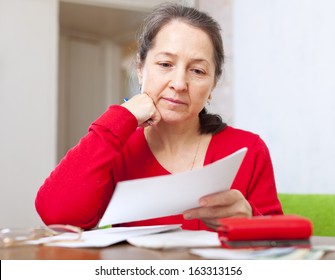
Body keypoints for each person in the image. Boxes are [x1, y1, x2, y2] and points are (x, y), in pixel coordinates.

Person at [35, 3, 283, 231]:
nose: (179, 83)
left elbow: (284, 244)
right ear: (140, 69)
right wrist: (121, 117)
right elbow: (57, 215)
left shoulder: (248, 149)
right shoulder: (116, 148)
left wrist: (250, 220)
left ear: (213, 84)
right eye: (165, 64)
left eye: (197, 71)